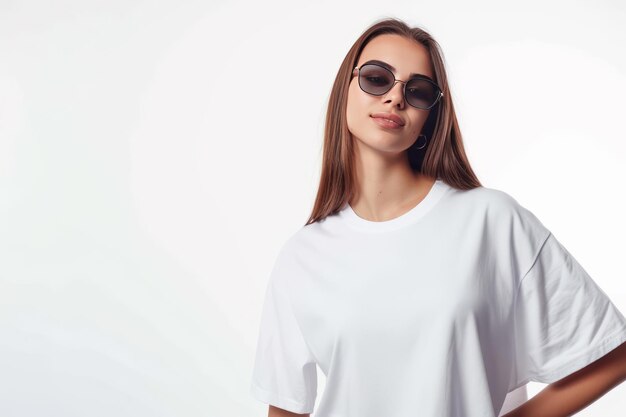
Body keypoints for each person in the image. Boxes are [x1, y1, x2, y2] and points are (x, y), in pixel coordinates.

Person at [249, 17, 626, 417]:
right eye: (377, 78)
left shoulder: (490, 220)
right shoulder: (302, 255)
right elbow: (286, 408)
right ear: (345, 89)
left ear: (430, 115)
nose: (395, 98)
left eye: (418, 91)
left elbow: (611, 353)